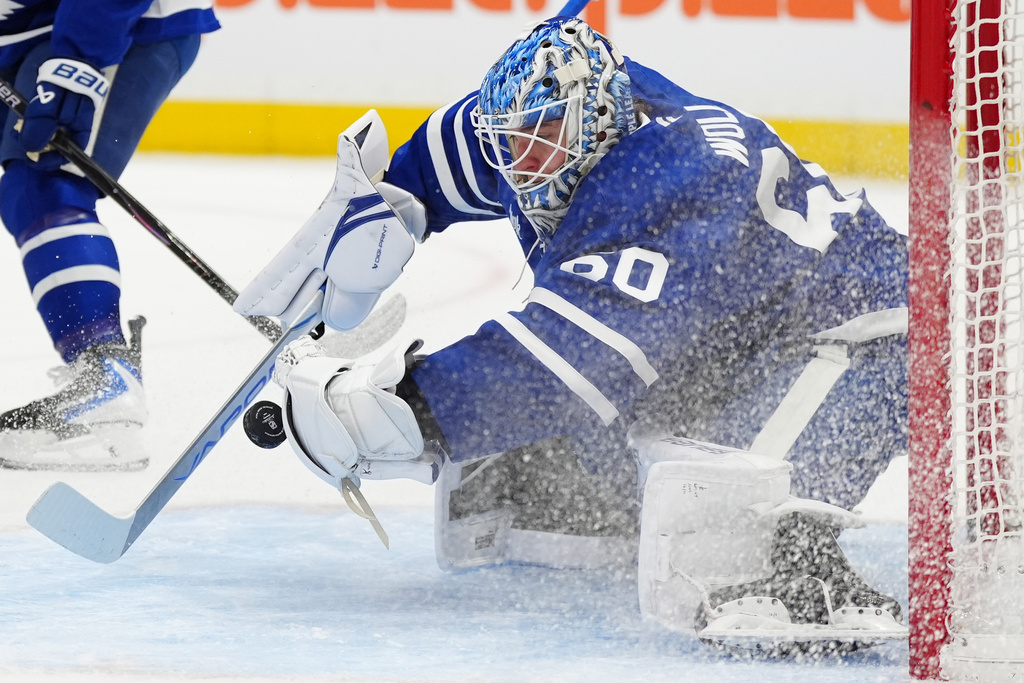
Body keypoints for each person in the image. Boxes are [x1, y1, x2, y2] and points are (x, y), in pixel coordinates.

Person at [235, 17, 908, 651]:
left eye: (538, 143)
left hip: (871, 337)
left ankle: (800, 564)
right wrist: (398, 199)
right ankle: (593, 511)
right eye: (514, 144)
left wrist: (400, 414)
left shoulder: (666, 177)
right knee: (603, 432)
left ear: (601, 122)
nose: (523, 168)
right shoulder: (582, 114)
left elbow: (566, 365)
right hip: (755, 330)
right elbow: (479, 139)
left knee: (739, 523)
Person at [0, 1, 219, 471]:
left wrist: (78, 62)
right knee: (30, 190)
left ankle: (107, 384)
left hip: (119, 22)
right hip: (43, 28)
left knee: (46, 186)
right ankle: (104, 385)